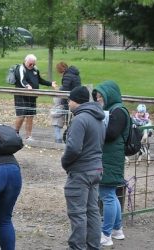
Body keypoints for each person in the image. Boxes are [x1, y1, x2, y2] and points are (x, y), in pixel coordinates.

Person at [61, 86, 106, 249]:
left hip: (81, 171)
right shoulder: (98, 117)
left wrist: (64, 162)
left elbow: (73, 148)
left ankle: (77, 247)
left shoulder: (80, 119)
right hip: (96, 169)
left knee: (78, 214)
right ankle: (93, 246)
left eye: (69, 100)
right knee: (92, 211)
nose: (68, 103)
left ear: (76, 101)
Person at [92, 80, 128, 247]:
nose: (99, 99)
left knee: (107, 195)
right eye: (97, 96)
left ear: (109, 95)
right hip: (111, 157)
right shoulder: (115, 110)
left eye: (101, 96)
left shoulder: (118, 111)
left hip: (110, 158)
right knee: (111, 194)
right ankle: (117, 229)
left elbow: (112, 133)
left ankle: (106, 234)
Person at [14, 54, 57, 140]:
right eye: (31, 64)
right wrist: (27, 86)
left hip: (32, 95)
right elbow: (22, 80)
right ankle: (15, 134)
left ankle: (28, 136)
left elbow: (40, 80)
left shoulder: (35, 69)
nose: (32, 65)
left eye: (34, 64)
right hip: (21, 96)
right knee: (21, 115)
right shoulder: (21, 68)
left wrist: (50, 83)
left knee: (30, 116)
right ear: (26, 61)